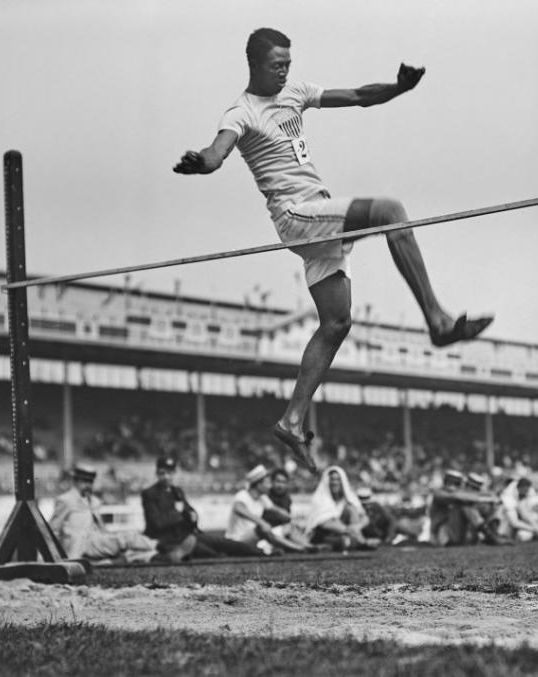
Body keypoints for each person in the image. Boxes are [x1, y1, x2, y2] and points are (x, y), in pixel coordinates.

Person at [173, 27, 494, 472]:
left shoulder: (296, 93)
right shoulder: (240, 112)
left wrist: (398, 87)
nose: (285, 70)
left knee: (337, 321)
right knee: (390, 211)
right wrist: (202, 164)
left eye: (288, 61)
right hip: (298, 216)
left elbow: (360, 95)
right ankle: (438, 322)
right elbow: (217, 151)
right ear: (254, 65)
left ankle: (291, 421)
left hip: (319, 214)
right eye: (276, 64)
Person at [142, 457, 265, 561]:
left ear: (174, 473)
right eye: (162, 473)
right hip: (166, 540)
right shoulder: (149, 494)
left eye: (169, 473)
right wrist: (178, 513)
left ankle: (260, 553)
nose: (166, 477)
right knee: (211, 554)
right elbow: (156, 523)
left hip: (186, 535)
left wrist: (192, 516)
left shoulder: (177, 491)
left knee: (221, 542)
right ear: (157, 473)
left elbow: (190, 511)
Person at [50, 463, 156, 563]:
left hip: (97, 541)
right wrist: (55, 557)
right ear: (76, 481)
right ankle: (160, 547)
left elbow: (100, 526)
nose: (88, 485)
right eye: (84, 482)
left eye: (90, 482)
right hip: (80, 546)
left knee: (129, 542)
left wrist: (108, 536)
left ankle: (156, 551)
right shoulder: (66, 500)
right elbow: (53, 529)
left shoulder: (94, 501)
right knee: (127, 538)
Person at [226, 464, 313, 554]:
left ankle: (308, 546)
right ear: (258, 484)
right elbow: (238, 509)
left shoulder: (262, 498)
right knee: (261, 529)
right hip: (237, 540)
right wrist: (261, 522)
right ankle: (298, 549)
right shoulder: (242, 495)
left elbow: (278, 510)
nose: (270, 486)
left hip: (255, 539)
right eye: (267, 483)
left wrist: (294, 518)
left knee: (288, 526)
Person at [305, 466, 378, 550]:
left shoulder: (349, 497)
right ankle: (361, 542)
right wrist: (348, 530)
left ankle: (357, 541)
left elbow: (364, 517)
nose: (335, 483)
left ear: (342, 481)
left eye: (337, 479)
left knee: (351, 509)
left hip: (350, 532)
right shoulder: (319, 498)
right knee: (343, 540)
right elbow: (324, 523)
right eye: (332, 479)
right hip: (325, 534)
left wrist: (357, 527)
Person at [427, 469, 499, 546]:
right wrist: (486, 498)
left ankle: (492, 534)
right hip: (441, 537)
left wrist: (491, 501)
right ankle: (490, 536)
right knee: (465, 506)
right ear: (449, 482)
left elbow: (468, 496)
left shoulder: (460, 494)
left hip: (457, 535)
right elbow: (457, 496)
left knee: (483, 507)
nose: (460, 486)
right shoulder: (439, 494)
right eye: (457, 484)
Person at [498, 476, 538, 542]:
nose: (525, 492)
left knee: (523, 535)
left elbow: (529, 515)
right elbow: (514, 522)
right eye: (523, 489)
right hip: (506, 525)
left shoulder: (529, 493)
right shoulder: (508, 497)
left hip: (523, 524)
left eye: (526, 489)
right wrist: (534, 529)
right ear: (518, 488)